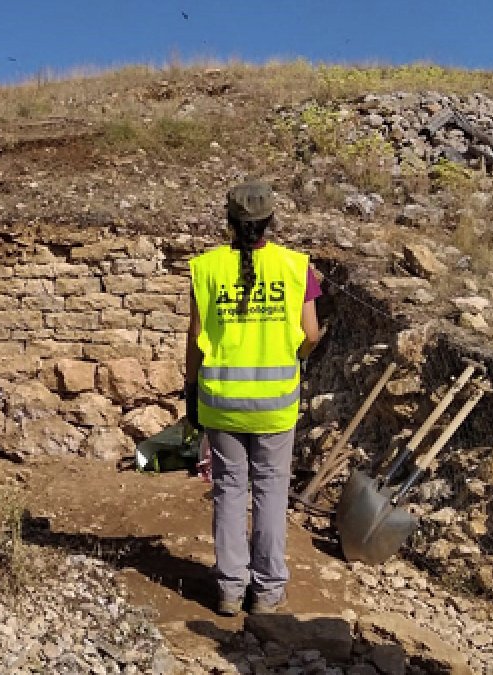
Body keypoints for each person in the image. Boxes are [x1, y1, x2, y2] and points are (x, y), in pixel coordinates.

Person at [184, 180, 323, 617]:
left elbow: (194, 338)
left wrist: (190, 390)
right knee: (270, 490)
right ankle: (266, 592)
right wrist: (297, 355)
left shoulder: (205, 269)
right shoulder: (296, 267)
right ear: (270, 222)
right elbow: (312, 334)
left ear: (229, 222)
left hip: (221, 402)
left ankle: (228, 589)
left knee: (228, 490)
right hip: (275, 406)